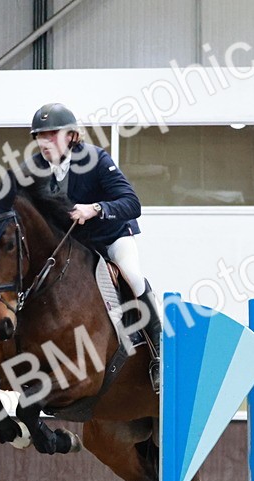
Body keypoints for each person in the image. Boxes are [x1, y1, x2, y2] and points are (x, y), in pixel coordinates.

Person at [27, 102, 161, 387]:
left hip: (112, 237)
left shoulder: (96, 159)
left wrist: (96, 208)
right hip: (74, 246)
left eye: (52, 135)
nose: (45, 142)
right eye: (40, 136)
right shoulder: (35, 169)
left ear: (71, 136)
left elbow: (132, 203)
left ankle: (159, 353)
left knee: (131, 274)